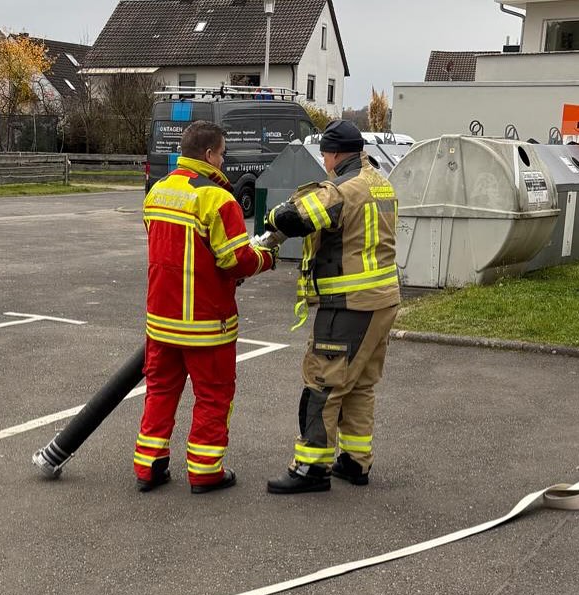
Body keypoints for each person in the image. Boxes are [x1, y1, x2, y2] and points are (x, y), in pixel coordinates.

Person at [134, 120, 275, 494]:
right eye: (223, 154)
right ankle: (205, 471)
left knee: (160, 392)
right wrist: (266, 257)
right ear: (210, 154)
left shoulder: (158, 191)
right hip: (206, 324)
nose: (224, 161)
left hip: (160, 322)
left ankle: (148, 467)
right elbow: (235, 260)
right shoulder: (217, 198)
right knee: (213, 397)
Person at [263, 119, 400, 495]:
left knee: (322, 383)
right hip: (382, 300)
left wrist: (272, 218)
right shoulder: (380, 183)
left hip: (349, 304)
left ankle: (311, 467)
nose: (324, 161)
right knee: (359, 385)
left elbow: (294, 218)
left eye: (324, 154)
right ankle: (355, 461)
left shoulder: (342, 190)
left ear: (336, 154)